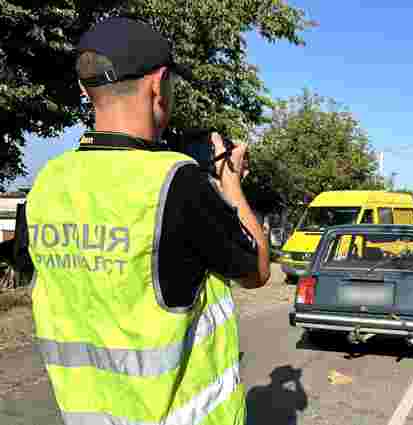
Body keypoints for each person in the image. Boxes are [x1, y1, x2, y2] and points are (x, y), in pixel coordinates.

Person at [16, 17, 270, 425]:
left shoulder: (46, 185)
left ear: (85, 89)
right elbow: (257, 270)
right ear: (159, 83)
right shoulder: (178, 181)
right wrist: (230, 183)